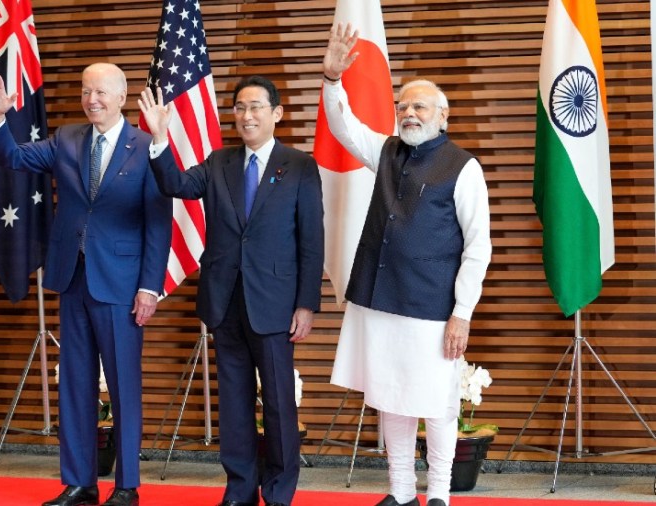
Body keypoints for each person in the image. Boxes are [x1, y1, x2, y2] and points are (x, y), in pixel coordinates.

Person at [0, 63, 172, 506]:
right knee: (75, 383)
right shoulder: (66, 139)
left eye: (101, 92)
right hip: (72, 277)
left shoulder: (148, 146)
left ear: (122, 97)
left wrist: (150, 286)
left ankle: (126, 486)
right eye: (87, 91)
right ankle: (80, 482)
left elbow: (159, 225)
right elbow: (13, 158)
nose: (92, 100)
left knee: (123, 386)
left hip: (123, 285)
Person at [321, 24, 492, 506]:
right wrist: (332, 81)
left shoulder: (464, 166)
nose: (409, 113)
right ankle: (400, 493)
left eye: (420, 106)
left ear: (443, 115)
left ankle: (439, 495)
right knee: (389, 396)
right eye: (403, 106)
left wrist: (463, 312)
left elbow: (479, 246)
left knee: (435, 404)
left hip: (433, 307)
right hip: (379, 300)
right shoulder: (387, 149)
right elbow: (343, 126)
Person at [138, 75, 324, 506]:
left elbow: (311, 241)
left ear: (277, 113)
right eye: (240, 107)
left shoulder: (299, 165)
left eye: (257, 106)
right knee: (234, 403)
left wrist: (306, 304)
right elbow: (176, 186)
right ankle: (239, 489)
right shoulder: (218, 161)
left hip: (276, 303)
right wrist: (159, 138)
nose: (247, 115)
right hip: (225, 300)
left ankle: (278, 490)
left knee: (278, 403)